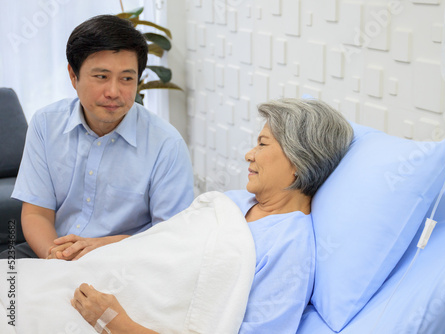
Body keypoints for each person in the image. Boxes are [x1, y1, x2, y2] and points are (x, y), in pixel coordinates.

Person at [70, 98, 354, 333]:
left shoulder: (290, 246)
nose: (249, 155)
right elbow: (165, 246)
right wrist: (107, 245)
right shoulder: (232, 203)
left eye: (263, 144)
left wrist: (117, 324)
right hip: (97, 280)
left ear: (299, 160)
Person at [0, 15, 194, 261]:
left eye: (126, 78)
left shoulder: (167, 145)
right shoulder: (46, 124)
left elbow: (172, 236)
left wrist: (103, 248)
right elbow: (36, 214)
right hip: (52, 249)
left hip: (128, 259)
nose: (114, 92)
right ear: (73, 76)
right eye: (101, 76)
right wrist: (56, 257)